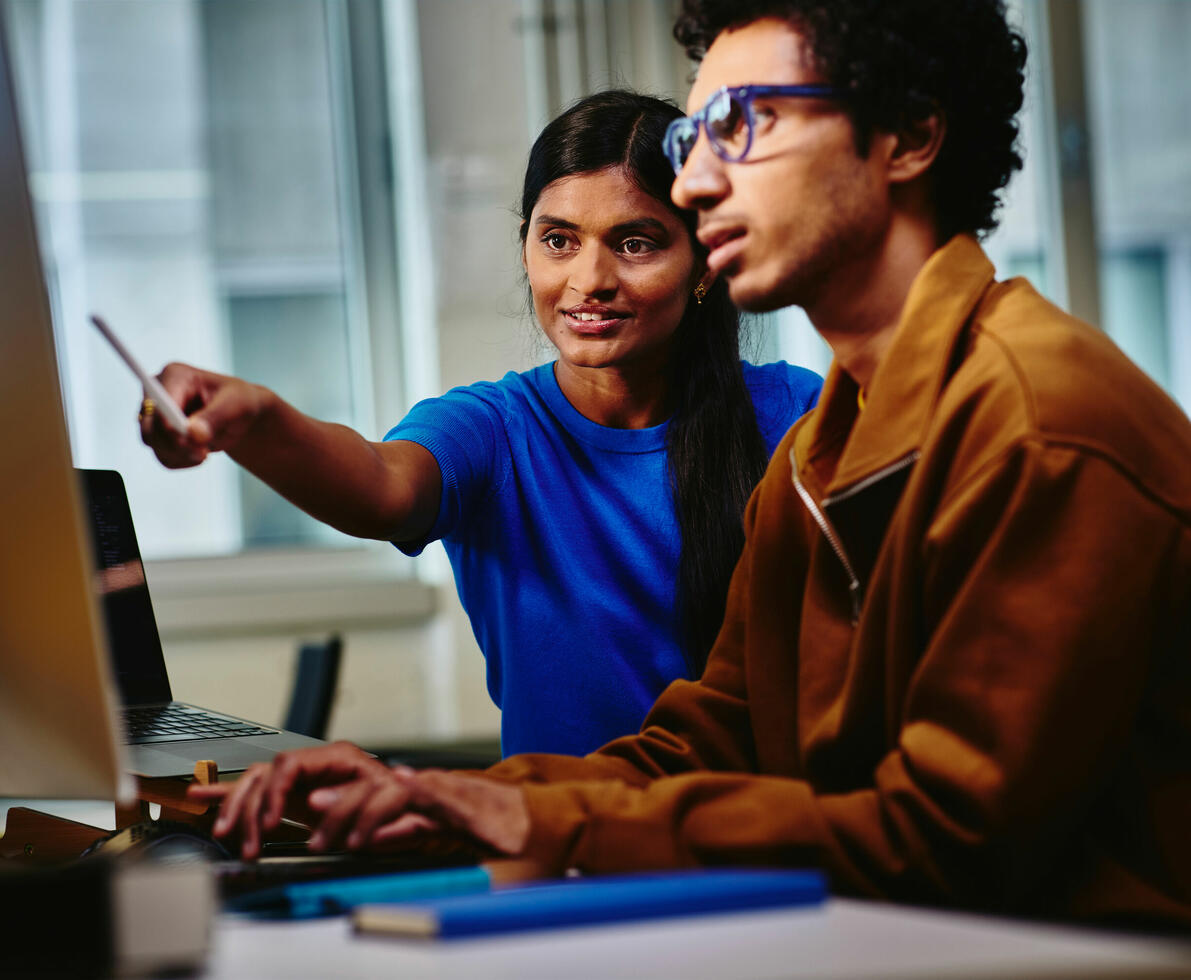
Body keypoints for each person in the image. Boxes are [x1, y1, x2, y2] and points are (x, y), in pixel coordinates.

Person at [189, 0, 1191, 929]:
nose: (699, 179)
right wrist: (462, 796)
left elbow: (949, 840)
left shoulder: (1037, 421)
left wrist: (562, 825)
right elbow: (710, 740)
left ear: (909, 136)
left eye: (744, 124)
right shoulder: (820, 446)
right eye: (694, 138)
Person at [141, 89, 821, 759]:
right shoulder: (492, 431)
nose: (589, 279)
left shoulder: (797, 415)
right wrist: (256, 420)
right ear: (525, 250)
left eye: (635, 243)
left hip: (759, 845)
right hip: (558, 856)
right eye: (558, 240)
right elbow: (381, 486)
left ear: (703, 261)